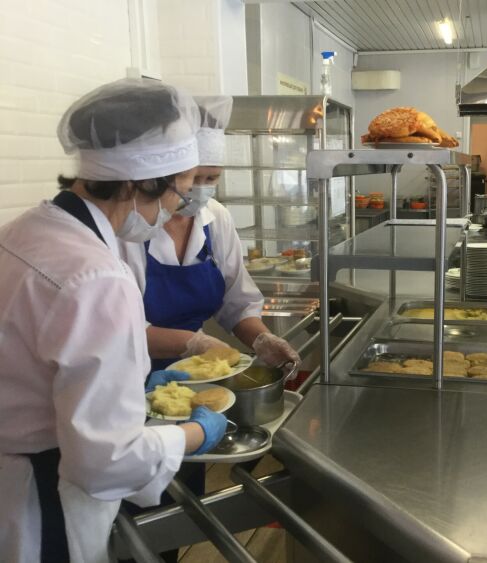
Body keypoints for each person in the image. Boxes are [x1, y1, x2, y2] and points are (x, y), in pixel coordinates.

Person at [0, 79, 227, 562]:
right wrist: (196, 432)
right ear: (143, 183)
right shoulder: (99, 276)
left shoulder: (21, 233)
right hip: (39, 506)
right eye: (181, 190)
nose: (176, 208)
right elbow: (108, 462)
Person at [121, 95, 300, 373]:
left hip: (196, 372)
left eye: (211, 178)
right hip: (132, 372)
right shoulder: (130, 228)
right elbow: (120, 329)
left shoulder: (216, 218)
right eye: (193, 178)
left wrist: (261, 339)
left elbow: (236, 301)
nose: (200, 189)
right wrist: (194, 343)